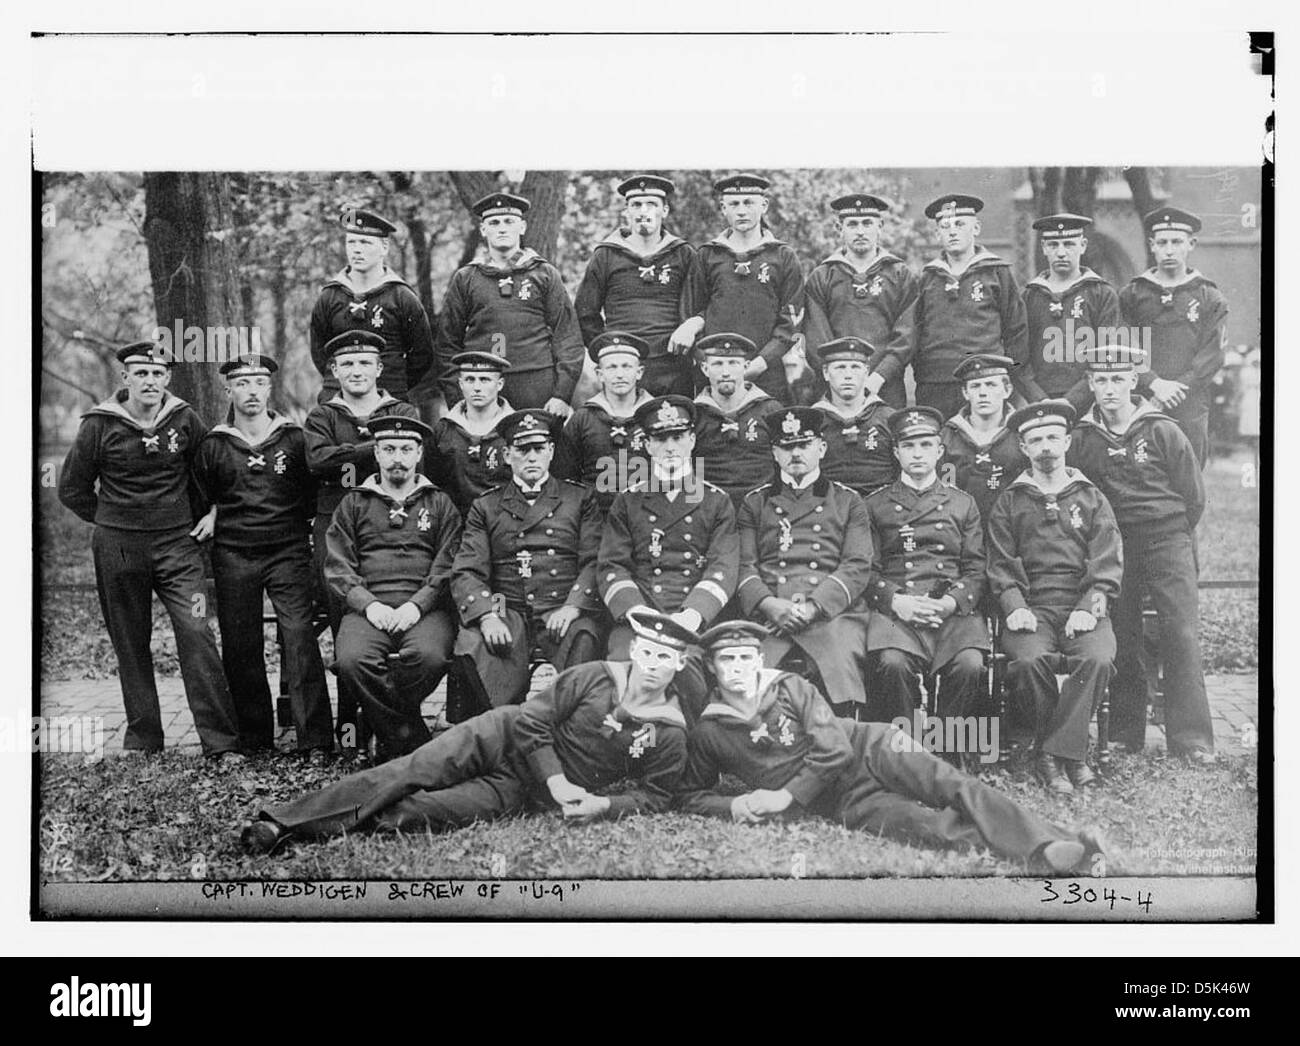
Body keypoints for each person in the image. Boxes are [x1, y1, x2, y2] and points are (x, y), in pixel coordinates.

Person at [242, 608, 696, 854]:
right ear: (635, 650)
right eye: (648, 653)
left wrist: (602, 804)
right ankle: (284, 822)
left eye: (666, 658)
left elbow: (658, 795)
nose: (654, 666)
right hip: (501, 735)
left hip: (521, 789)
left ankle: (321, 828)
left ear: (679, 664)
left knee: (419, 812)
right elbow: (533, 719)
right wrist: (558, 779)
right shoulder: (596, 674)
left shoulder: (671, 731)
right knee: (410, 770)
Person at [676, 621, 1109, 875]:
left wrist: (783, 796)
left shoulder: (790, 686)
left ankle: (1045, 843)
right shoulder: (709, 730)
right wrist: (733, 806)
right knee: (922, 825)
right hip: (838, 798)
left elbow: (833, 751)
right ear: (711, 667)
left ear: (759, 661)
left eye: (746, 658)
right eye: (726, 660)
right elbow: (688, 795)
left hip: (871, 745)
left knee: (953, 785)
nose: (737, 669)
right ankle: (1054, 854)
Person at [57, 341, 242, 761]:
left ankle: (220, 743)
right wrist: (114, 520)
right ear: (125, 378)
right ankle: (144, 739)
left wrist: (210, 512)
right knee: (131, 641)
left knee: (196, 632)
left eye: (158, 374)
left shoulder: (185, 419)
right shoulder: (100, 424)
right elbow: (72, 489)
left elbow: (209, 474)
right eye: (141, 373)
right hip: (119, 549)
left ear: (167, 379)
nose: (150, 381)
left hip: (178, 548)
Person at [1066, 345, 1214, 765]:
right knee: (1124, 636)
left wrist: (1171, 535)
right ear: (1090, 384)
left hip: (1168, 540)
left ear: (1133, 381)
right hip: (1116, 547)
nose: (1109, 389)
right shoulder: (1082, 439)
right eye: (1100, 380)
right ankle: (1125, 736)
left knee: (1181, 634)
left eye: (1118, 379)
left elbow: (1193, 497)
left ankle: (1192, 741)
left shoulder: (1162, 430)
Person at [191, 354, 333, 758]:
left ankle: (315, 739)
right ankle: (255, 738)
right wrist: (216, 513)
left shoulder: (293, 437)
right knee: (241, 643)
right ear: (228, 390)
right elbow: (204, 498)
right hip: (234, 554)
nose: (250, 392)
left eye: (258, 383)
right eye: (241, 384)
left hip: (287, 551)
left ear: (269, 388)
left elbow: (308, 497)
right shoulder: (214, 444)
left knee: (299, 636)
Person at [985, 400, 1123, 793]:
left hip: (1080, 607)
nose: (1045, 446)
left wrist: (1088, 607)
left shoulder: (1091, 497)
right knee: (1029, 661)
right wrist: (1014, 606)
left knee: (1096, 658)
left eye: (1052, 437)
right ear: (1024, 448)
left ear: (1066, 441)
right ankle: (1061, 754)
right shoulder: (1010, 501)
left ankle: (1062, 754)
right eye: (1035, 440)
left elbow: (1107, 562)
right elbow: (1000, 562)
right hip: (1031, 609)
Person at [304, 330, 420, 748]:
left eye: (364, 363)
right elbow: (317, 461)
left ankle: (390, 723)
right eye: (347, 365)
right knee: (346, 628)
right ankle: (350, 728)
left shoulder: (402, 408)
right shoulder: (322, 415)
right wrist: (377, 444)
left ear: (379, 368)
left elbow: (413, 456)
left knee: (394, 625)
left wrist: (347, 450)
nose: (356, 371)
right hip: (335, 525)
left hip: (389, 527)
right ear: (334, 371)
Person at [450, 410, 606, 719]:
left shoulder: (579, 498)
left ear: (551, 451)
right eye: (522, 450)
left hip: (561, 607)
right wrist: (486, 616)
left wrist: (574, 607)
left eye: (538, 449)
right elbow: (468, 569)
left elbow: (594, 560)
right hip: (507, 608)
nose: (531, 457)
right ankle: (494, 738)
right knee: (474, 646)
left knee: (585, 638)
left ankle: (572, 731)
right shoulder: (487, 506)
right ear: (507, 455)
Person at [323, 416, 462, 760]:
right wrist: (370, 606)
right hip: (369, 609)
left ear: (418, 454)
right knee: (353, 661)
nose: (397, 457)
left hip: (425, 609)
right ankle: (412, 739)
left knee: (429, 658)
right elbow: (338, 565)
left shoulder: (439, 503)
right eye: (388, 449)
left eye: (405, 449)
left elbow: (449, 564)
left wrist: (417, 605)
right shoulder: (354, 503)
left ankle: (385, 730)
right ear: (376, 454)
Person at [598, 395, 740, 718]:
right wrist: (637, 613)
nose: (670, 447)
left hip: (693, 618)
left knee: (690, 667)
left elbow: (724, 566)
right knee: (622, 667)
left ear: (691, 440)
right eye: (661, 439)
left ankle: (692, 752)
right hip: (639, 616)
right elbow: (612, 566)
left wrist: (690, 616)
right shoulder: (628, 501)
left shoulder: (716, 501)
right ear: (647, 445)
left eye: (677, 437)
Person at [736, 407, 874, 715]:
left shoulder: (848, 501)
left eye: (804, 445)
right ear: (774, 452)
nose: (795, 453)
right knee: (747, 676)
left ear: (822, 448)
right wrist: (770, 606)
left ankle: (838, 745)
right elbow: (745, 566)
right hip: (770, 613)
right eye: (786, 447)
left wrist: (813, 607)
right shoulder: (755, 502)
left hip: (831, 613)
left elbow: (857, 565)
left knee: (838, 662)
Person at [862, 406, 989, 731]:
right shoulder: (875, 504)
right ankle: (903, 752)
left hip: (950, 610)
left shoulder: (963, 503)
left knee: (970, 665)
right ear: (896, 452)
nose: (917, 454)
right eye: (908, 446)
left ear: (939, 450)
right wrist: (897, 601)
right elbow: (867, 569)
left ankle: (946, 750)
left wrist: (948, 604)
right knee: (892, 664)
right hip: (898, 611)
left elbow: (976, 568)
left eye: (925, 445)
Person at [435, 192, 584, 415]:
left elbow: (568, 337)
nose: (502, 228)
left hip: (535, 385)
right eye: (494, 222)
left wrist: (561, 395)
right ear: (483, 230)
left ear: (522, 227)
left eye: (509, 222)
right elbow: (447, 344)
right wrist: (456, 398)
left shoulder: (544, 274)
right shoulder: (466, 277)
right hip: (482, 386)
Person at [675, 173, 805, 404]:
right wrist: (710, 364)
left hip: (767, 371)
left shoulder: (783, 256)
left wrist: (761, 363)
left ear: (763, 206)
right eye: (734, 204)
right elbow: (690, 313)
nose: (741, 210)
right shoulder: (707, 255)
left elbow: (792, 322)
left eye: (749, 203)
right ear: (723, 208)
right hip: (716, 375)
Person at [909, 194, 1040, 417]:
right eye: (945, 226)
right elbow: (914, 331)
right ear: (937, 233)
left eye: (960, 224)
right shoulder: (927, 278)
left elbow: (1016, 330)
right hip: (935, 384)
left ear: (976, 228)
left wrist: (1011, 376)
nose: (952, 231)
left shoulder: (996, 272)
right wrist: (924, 373)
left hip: (984, 380)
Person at [1119, 206, 1229, 466]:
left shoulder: (1209, 297)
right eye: (1162, 242)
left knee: (1188, 475)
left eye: (1177, 242)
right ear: (1152, 245)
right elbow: (1124, 343)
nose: (1169, 250)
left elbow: (1212, 356)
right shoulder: (1132, 294)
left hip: (1190, 402)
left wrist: (1174, 390)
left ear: (1191, 244)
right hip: (1142, 399)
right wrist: (1154, 383)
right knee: (1141, 472)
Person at [574, 174, 697, 397]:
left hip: (674, 365)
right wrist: (607, 352)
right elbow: (585, 313)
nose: (643, 211)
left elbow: (702, 303)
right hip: (624, 366)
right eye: (636, 205)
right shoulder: (606, 254)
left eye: (651, 204)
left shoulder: (683, 253)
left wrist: (692, 327)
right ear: (627, 212)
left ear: (665, 211)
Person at [308, 207, 436, 406]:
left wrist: (392, 381)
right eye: (351, 242)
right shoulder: (329, 296)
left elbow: (422, 356)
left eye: (366, 242)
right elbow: (320, 352)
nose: (357, 249)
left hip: (389, 399)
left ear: (384, 247)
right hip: (337, 402)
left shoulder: (402, 297)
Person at [803, 193, 918, 409]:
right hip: (836, 389)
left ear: (880, 226)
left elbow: (907, 335)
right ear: (840, 229)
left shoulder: (899, 275)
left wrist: (879, 377)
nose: (860, 231)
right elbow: (816, 336)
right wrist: (840, 379)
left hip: (885, 387)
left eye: (867, 223)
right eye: (852, 224)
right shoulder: (823, 276)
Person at [1022, 213, 1122, 413]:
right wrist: (1038, 398)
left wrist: (1073, 400)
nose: (1061, 252)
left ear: (1083, 245)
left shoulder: (1101, 293)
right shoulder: (1029, 296)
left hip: (1089, 400)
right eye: (1053, 245)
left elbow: (1106, 353)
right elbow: (1019, 355)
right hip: (1039, 403)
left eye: (1068, 244)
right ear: (1043, 248)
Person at [553, 331, 654, 518]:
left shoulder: (654, 417)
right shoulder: (582, 418)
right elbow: (564, 478)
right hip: (595, 517)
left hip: (646, 515)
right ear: (599, 374)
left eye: (626, 366)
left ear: (639, 372)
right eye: (612, 367)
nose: (619, 374)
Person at [690, 332, 784, 506]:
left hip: (761, 507)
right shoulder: (694, 414)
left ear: (746, 366)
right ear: (704, 369)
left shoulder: (770, 410)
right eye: (718, 364)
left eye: (733, 363)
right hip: (708, 508)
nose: (726, 372)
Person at [939, 354, 1028, 530]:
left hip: (1014, 528)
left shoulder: (1022, 434)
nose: (982, 393)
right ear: (965, 393)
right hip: (961, 528)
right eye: (975, 386)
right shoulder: (947, 437)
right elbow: (942, 493)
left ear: (1007, 390)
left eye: (991, 385)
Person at [808, 336, 898, 497]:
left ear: (866, 372)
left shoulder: (888, 419)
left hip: (880, 510)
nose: (848, 375)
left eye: (855, 367)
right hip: (829, 510)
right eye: (840, 367)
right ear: (826, 373)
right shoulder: (813, 420)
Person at [426, 351, 513, 518]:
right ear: (460, 383)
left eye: (485, 379)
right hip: (454, 520)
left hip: (503, 521)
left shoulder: (513, 429)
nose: (477, 387)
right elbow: (433, 483)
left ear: (500, 384)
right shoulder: (443, 429)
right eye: (470, 380)